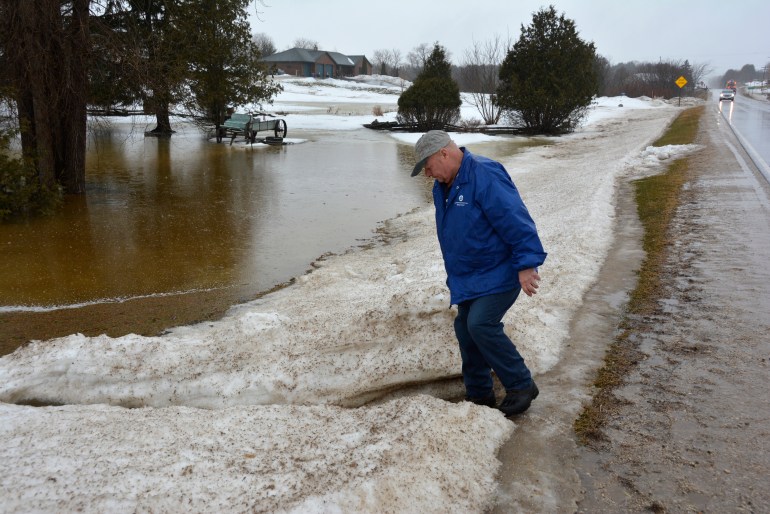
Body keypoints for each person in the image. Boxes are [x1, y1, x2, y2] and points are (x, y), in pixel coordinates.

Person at [411, 130, 547, 417]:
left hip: (500, 270)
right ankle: (479, 396)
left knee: (481, 324)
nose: (427, 173)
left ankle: (521, 385)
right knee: (465, 328)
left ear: (443, 154)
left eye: (428, 165)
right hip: (469, 275)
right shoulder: (444, 185)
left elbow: (515, 219)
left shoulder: (484, 175)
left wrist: (526, 264)